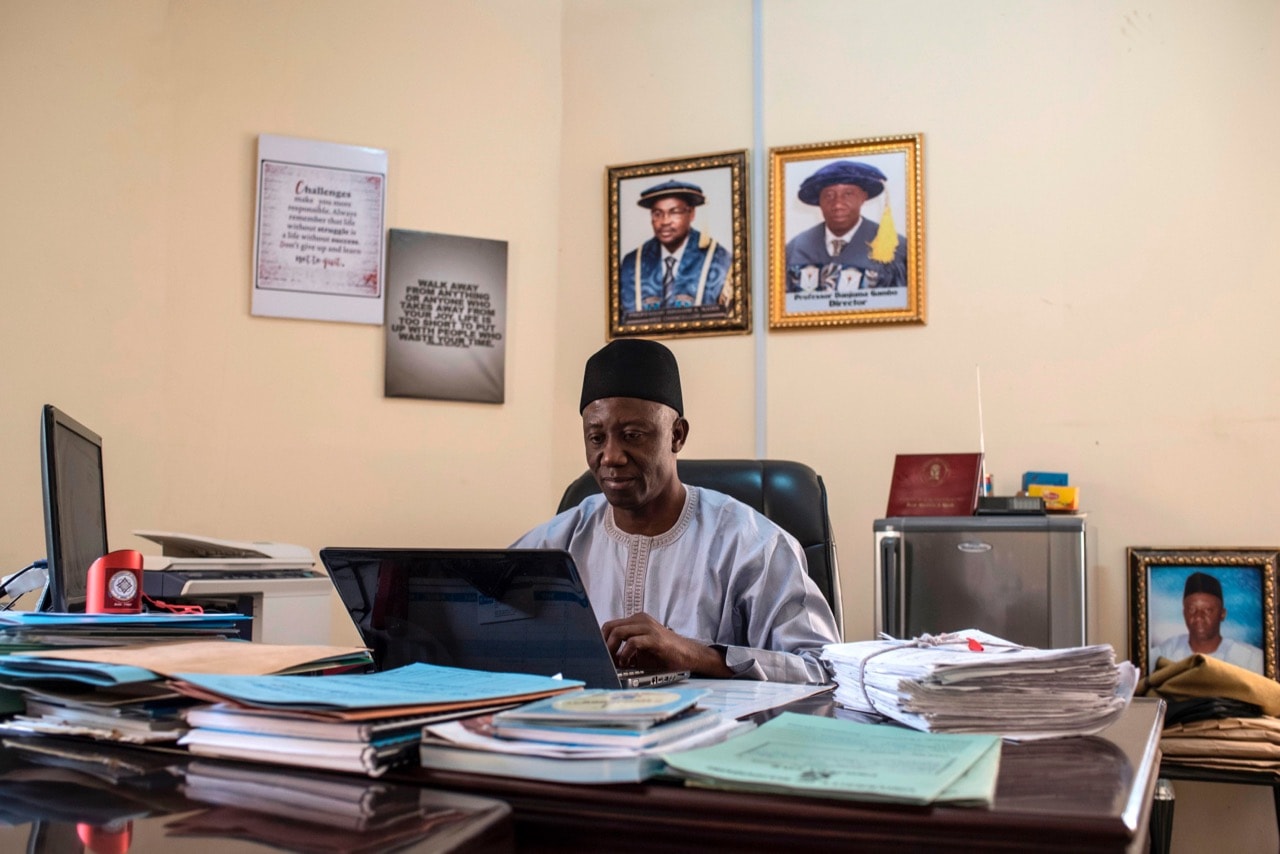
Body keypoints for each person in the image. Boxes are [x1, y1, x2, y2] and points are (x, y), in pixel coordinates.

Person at [512, 339, 840, 683]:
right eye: (596, 438)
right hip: (577, 731)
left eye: (632, 435)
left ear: (677, 436)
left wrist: (693, 654)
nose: (610, 456)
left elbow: (823, 670)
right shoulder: (553, 545)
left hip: (719, 734)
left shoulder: (753, 545)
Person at [784, 160, 908, 293]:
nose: (838, 204)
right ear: (818, 201)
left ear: (863, 197)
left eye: (848, 194)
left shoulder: (895, 249)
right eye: (829, 195)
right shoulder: (795, 248)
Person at [618, 180, 732, 314]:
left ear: (691, 213)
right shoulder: (631, 264)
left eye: (674, 212)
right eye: (657, 214)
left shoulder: (719, 260)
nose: (665, 221)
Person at [1150, 571, 1265, 673]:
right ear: (1184, 613)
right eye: (1192, 609)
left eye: (1208, 610)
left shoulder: (1252, 660)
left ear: (1222, 614)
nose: (1199, 616)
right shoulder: (1164, 654)